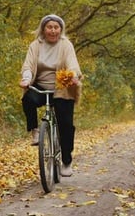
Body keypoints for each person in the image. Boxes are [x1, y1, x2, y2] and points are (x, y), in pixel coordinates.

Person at [19, 14, 82, 177]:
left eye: (56, 27)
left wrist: (74, 74)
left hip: (62, 87)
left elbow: (72, 63)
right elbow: (28, 64)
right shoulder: (35, 45)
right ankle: (35, 130)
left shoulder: (65, 45)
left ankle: (66, 161)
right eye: (49, 27)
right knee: (28, 99)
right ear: (43, 29)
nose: (53, 30)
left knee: (66, 124)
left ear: (60, 29)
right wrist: (26, 79)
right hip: (40, 85)